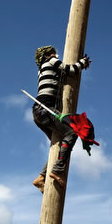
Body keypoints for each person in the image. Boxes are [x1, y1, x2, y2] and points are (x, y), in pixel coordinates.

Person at [31, 45, 91, 193]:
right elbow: (70, 70)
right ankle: (56, 171)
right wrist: (82, 63)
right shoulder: (50, 62)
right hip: (45, 109)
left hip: (39, 112)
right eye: (52, 53)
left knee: (59, 144)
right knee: (72, 131)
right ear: (46, 56)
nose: (55, 54)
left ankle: (41, 177)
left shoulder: (42, 70)